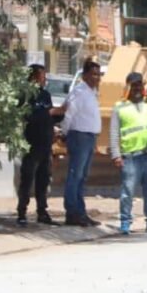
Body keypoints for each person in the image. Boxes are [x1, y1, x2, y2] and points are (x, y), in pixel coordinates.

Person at [110, 72, 147, 235]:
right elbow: (114, 133)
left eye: (140, 85)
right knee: (127, 191)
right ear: (127, 87)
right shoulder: (120, 107)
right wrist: (116, 155)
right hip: (130, 156)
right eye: (134, 85)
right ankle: (125, 222)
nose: (137, 88)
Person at [17, 63, 64, 226]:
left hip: (45, 144)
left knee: (43, 180)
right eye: (43, 76)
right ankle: (21, 212)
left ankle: (42, 212)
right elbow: (29, 117)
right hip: (31, 144)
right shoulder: (25, 96)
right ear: (34, 77)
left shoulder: (45, 95)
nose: (45, 79)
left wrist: (59, 115)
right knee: (27, 179)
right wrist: (48, 113)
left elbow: (49, 117)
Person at [61, 60, 103, 227]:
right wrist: (64, 133)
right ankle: (72, 213)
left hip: (89, 138)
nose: (96, 78)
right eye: (93, 74)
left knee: (82, 177)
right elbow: (69, 114)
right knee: (75, 175)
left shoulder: (92, 92)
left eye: (98, 75)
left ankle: (80, 212)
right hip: (79, 137)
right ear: (85, 75)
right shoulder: (79, 92)